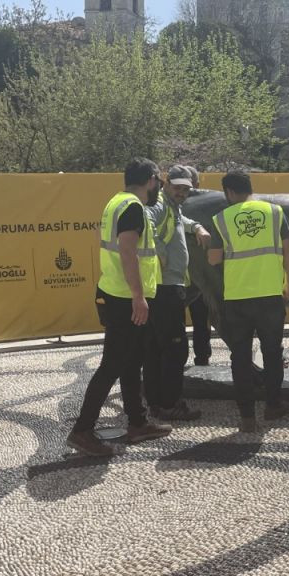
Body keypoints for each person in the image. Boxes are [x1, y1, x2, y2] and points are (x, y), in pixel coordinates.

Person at [67, 159, 172, 456]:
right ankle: (82, 431)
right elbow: (127, 251)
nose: (158, 188)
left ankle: (137, 423)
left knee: (131, 361)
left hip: (118, 293)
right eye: (158, 182)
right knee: (112, 364)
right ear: (150, 180)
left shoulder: (115, 202)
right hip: (124, 298)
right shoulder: (133, 207)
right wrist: (138, 296)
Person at [208, 169, 289, 433]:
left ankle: (247, 416)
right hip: (270, 295)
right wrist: (287, 285)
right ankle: (273, 405)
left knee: (241, 356)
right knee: (272, 352)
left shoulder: (221, 219)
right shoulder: (275, 212)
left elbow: (213, 259)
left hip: (237, 297)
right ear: (249, 188)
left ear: (229, 192)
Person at [144, 165, 211, 421]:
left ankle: (156, 402)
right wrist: (160, 254)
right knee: (175, 349)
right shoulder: (160, 204)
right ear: (166, 183)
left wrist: (197, 227)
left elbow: (180, 220)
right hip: (165, 287)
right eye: (178, 187)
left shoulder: (172, 206)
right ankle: (170, 404)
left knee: (154, 348)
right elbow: (147, 223)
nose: (182, 192)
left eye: (186, 189)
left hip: (162, 286)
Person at [182, 166, 213, 367]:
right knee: (201, 321)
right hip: (189, 278)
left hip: (186, 278)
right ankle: (201, 359)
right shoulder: (207, 206)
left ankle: (194, 359)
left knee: (189, 321)